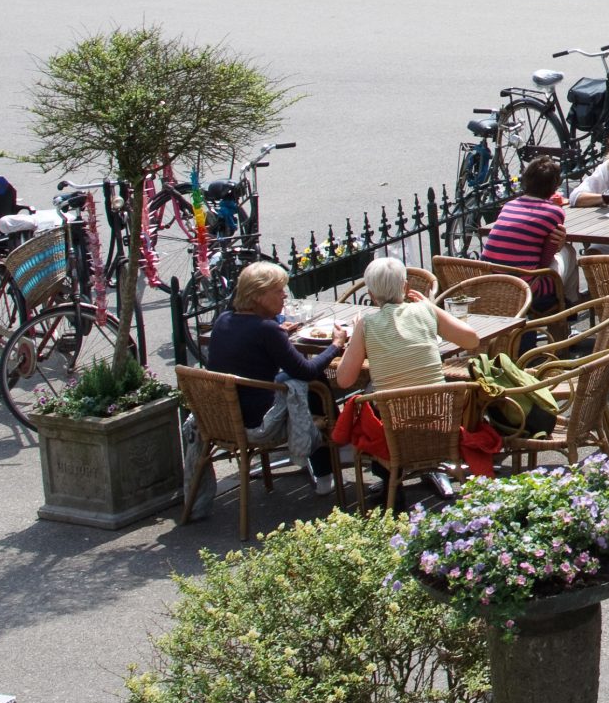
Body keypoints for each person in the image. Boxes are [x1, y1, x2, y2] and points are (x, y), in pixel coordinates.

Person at [203, 260, 343, 496]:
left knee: (296, 380)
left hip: (222, 418)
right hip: (259, 423)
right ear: (257, 296)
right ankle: (332, 454)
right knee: (314, 380)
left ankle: (333, 452)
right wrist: (336, 345)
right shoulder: (266, 330)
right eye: (278, 291)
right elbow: (305, 371)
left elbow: (251, 346)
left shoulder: (223, 321)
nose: (284, 296)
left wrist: (280, 332)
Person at [330, 256, 482, 391]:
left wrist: (354, 336)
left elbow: (344, 380)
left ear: (371, 295)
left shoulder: (365, 325)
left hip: (393, 419)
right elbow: (472, 340)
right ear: (405, 287)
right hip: (439, 414)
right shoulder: (425, 310)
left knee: (369, 392)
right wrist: (431, 306)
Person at [479, 157, 571, 306]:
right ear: (553, 187)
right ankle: (568, 306)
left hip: (492, 282)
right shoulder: (554, 212)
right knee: (568, 252)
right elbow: (545, 259)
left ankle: (567, 305)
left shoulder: (509, 205)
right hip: (526, 289)